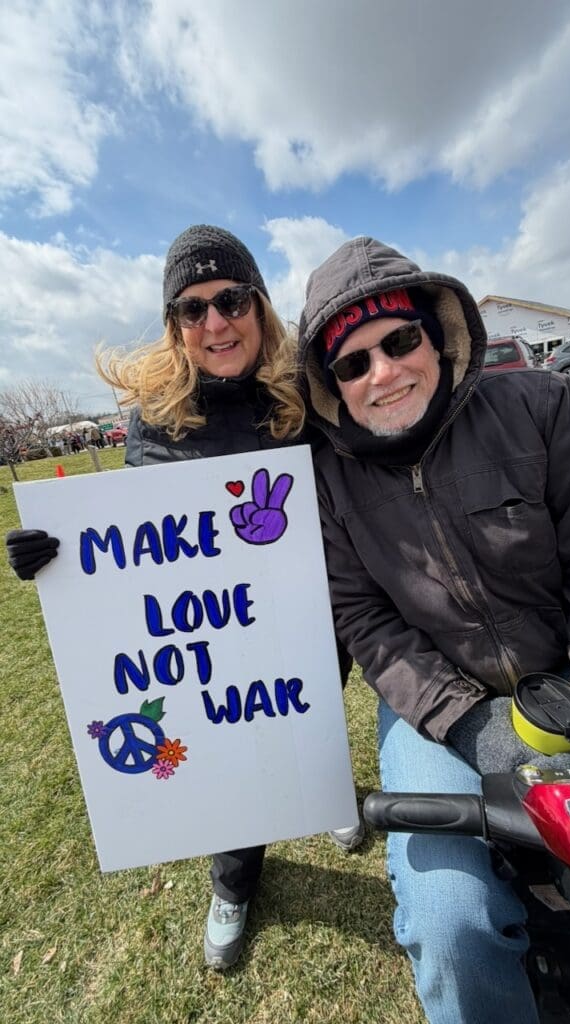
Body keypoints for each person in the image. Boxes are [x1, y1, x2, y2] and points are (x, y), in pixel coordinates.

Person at [5, 223, 363, 972]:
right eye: (191, 309)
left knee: (308, 721)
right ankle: (234, 881)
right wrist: (58, 558)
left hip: (307, 621)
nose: (214, 322)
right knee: (234, 752)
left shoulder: (307, 398)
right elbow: (134, 549)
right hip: (205, 635)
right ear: (174, 327)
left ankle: (326, 799)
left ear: (259, 306)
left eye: (231, 299)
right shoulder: (155, 421)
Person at [298, 234, 570, 1024]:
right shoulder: (325, 481)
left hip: (563, 674)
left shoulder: (544, 406)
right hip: (432, 711)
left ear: (437, 333)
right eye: (352, 363)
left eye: (399, 340)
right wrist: (470, 725)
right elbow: (365, 621)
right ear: (331, 386)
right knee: (449, 923)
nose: (383, 372)